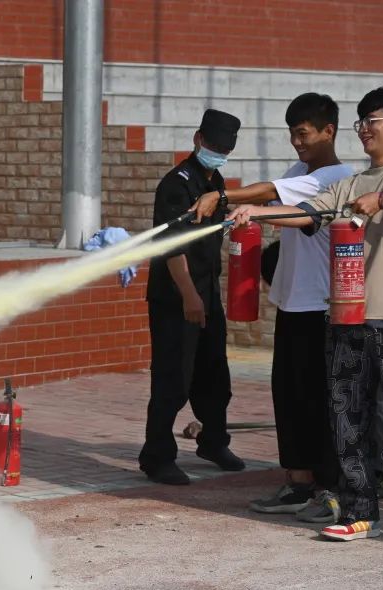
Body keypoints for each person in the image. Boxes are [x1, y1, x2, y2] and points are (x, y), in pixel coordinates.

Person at [228, 87, 383, 553]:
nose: (364, 129)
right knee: (348, 420)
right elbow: (307, 214)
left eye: (372, 121)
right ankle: (360, 512)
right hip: (346, 320)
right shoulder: (349, 185)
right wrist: (256, 212)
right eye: (360, 122)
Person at [191, 94, 354, 523]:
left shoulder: (337, 178)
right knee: (289, 396)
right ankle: (298, 483)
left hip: (323, 308)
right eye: (292, 134)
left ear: (328, 131)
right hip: (292, 304)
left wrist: (223, 196)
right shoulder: (299, 171)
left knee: (320, 399)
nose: (296, 142)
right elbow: (273, 196)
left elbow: (269, 195)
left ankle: (330, 488)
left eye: (303, 134)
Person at [138, 109, 246, 485]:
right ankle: (157, 456)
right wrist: (189, 296)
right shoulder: (177, 184)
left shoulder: (216, 184)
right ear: (198, 139)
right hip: (176, 297)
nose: (218, 153)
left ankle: (213, 442)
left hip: (207, 292)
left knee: (215, 377)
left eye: (225, 149)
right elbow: (171, 246)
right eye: (214, 145)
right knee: (172, 379)